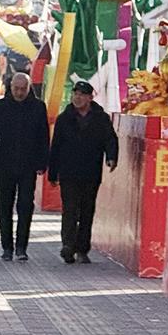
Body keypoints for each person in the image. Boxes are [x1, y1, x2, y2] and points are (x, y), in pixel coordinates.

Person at [48, 81, 118, 264]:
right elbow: (55, 147)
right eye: (75, 94)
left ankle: (82, 248)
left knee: (87, 211)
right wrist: (52, 173)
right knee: (70, 210)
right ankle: (68, 246)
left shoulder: (100, 118)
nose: (77, 98)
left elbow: (110, 139)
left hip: (91, 172)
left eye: (82, 94)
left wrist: (111, 157)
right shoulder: (65, 118)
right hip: (68, 172)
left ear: (90, 97)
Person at [0, 72, 49, 261]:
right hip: (5, 165)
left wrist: (43, 162)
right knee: (4, 207)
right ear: (10, 88)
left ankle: (21, 247)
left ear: (29, 89)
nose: (19, 93)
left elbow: (43, 137)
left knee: (26, 206)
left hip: (28, 166)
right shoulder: (1, 107)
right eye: (16, 89)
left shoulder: (38, 107)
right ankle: (7, 247)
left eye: (23, 89)